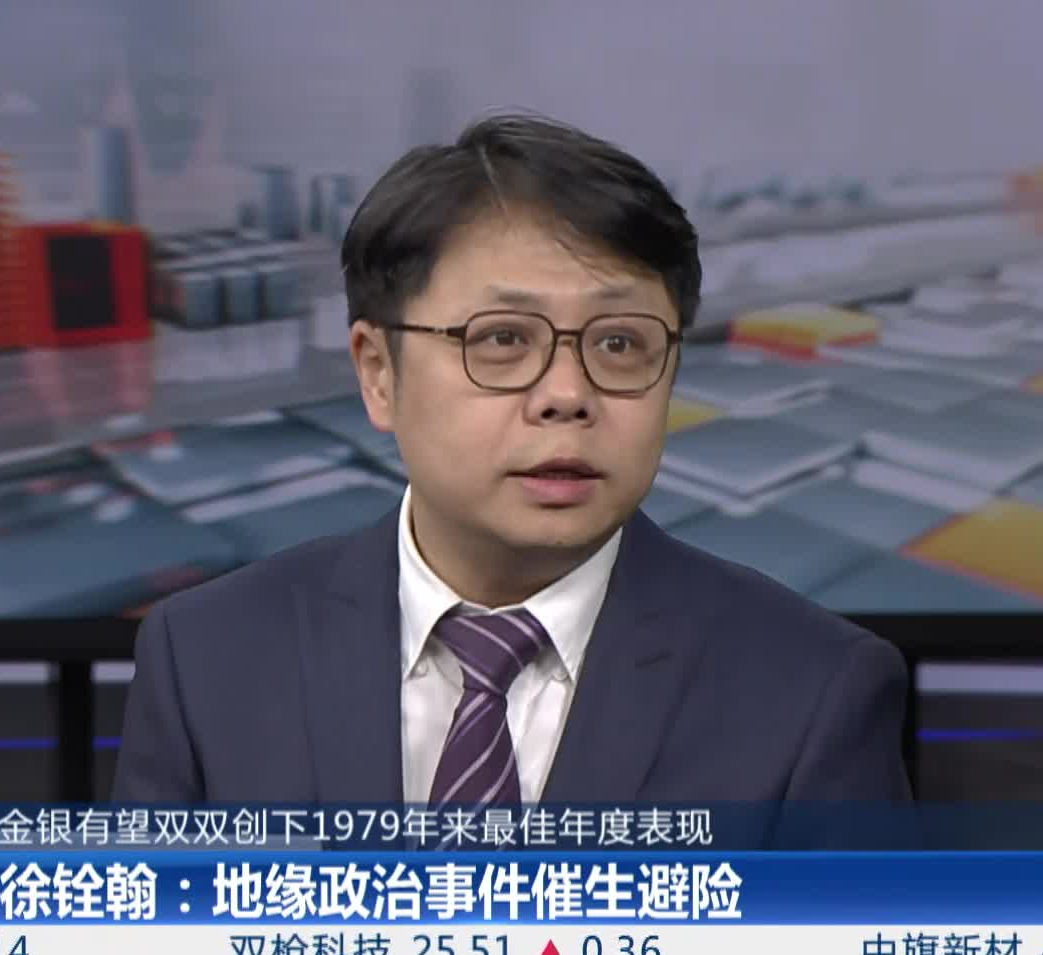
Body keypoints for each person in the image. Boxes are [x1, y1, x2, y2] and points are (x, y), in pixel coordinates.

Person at [114, 113, 910, 806]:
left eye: (620, 343)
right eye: (502, 339)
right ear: (379, 373)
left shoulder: (812, 692)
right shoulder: (207, 658)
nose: (567, 395)